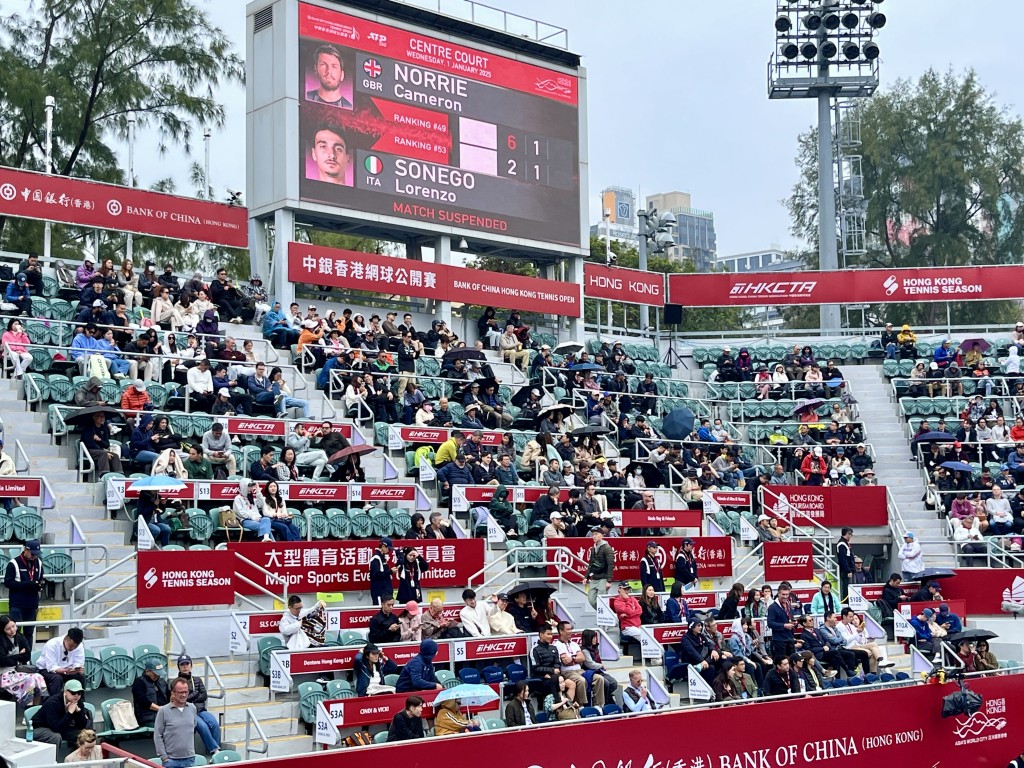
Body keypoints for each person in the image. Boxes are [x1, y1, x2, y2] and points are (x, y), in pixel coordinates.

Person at [176, 655, 220, 756]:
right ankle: (215, 750)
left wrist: (191, 697)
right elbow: (182, 699)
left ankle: (215, 752)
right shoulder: (177, 682)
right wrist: (195, 694)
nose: (185, 667)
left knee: (214, 724)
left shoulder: (197, 680)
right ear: (179, 667)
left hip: (201, 709)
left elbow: (204, 695)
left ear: (191, 665)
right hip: (188, 712)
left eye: (187, 664)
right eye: (182, 664)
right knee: (203, 726)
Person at [554, 620, 605, 707]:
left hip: (580, 670)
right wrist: (576, 658)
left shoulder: (574, 644)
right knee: (581, 681)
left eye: (571, 629)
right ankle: (581, 706)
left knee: (599, 678)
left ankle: (598, 706)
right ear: (561, 631)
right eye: (568, 629)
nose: (571, 631)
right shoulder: (557, 645)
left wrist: (572, 658)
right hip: (567, 672)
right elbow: (565, 662)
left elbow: (582, 658)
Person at [4, 539, 44, 647]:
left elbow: (41, 579)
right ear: (26, 550)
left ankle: (27, 657)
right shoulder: (14, 563)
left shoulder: (39, 563)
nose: (34, 557)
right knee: (15, 633)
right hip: (17, 605)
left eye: (36, 554)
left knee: (29, 633)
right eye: (32, 554)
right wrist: (27, 584)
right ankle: (15, 656)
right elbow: (8, 583)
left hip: (32, 604)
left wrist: (40, 586)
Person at [32, 678, 92, 749]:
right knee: (56, 737)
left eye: (79, 693)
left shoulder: (78, 701)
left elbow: (81, 725)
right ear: (65, 692)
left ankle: (78, 758)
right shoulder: (53, 703)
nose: (76, 695)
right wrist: (70, 713)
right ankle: (53, 760)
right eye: (73, 692)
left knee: (85, 735)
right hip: (41, 727)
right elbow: (56, 727)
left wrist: (78, 712)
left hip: (61, 726)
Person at [0, 615, 46, 705]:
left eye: (13, 626)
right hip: (4, 674)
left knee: (39, 677)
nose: (12, 630)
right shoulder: (1, 641)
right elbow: (2, 661)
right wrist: (18, 656)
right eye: (8, 629)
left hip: (17, 670)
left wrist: (11, 657)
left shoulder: (20, 637)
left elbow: (27, 656)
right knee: (30, 681)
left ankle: (36, 707)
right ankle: (28, 707)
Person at [154, 677, 198, 768]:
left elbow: (193, 727)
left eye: (186, 692)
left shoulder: (192, 708)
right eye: (181, 692)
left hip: (190, 759)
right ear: (173, 693)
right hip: (171, 761)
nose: (184, 695)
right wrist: (164, 757)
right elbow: (157, 735)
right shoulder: (163, 711)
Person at [36, 627, 85, 697]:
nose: (72, 648)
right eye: (71, 645)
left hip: (67, 670)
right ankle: (55, 701)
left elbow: (79, 662)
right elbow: (51, 667)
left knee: (81, 676)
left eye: (75, 647)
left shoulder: (79, 646)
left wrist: (78, 669)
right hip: (46, 669)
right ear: (65, 639)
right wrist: (65, 671)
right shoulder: (52, 644)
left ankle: (80, 702)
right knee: (57, 678)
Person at [81, 411, 123, 475]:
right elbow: (90, 444)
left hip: (101, 450)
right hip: (88, 450)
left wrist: (99, 440)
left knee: (115, 456)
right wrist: (105, 452)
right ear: (94, 417)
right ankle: (104, 474)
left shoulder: (104, 428)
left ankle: (119, 475)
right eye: (100, 416)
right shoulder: (88, 428)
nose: (102, 418)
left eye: (103, 416)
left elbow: (107, 444)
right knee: (103, 454)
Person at [585, 527, 614, 609]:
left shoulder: (607, 548)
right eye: (593, 534)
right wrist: (586, 577)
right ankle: (605, 613)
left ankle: (604, 615)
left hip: (603, 578)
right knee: (591, 599)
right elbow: (591, 563)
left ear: (602, 535)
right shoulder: (593, 548)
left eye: (596, 534)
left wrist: (609, 581)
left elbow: (611, 564)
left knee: (601, 599)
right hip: (594, 577)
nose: (594, 536)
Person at [767, 581, 797, 661]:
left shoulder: (789, 605)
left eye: (787, 594)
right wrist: (784, 625)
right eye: (783, 594)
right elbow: (770, 623)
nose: (785, 596)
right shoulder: (772, 607)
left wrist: (794, 623)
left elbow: (790, 618)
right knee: (781, 662)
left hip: (790, 638)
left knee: (792, 661)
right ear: (778, 593)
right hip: (779, 640)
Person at [368, 538, 396, 606]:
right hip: (379, 593)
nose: (389, 550)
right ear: (383, 546)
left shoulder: (382, 558)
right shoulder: (376, 558)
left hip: (385, 593)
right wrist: (390, 571)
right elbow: (376, 575)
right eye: (388, 548)